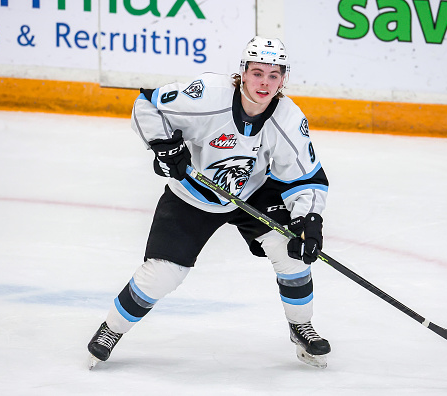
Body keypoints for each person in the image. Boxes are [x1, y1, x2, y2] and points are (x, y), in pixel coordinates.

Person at [87, 36, 331, 369]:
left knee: (292, 255)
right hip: (192, 194)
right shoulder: (208, 95)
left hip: (252, 193)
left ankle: (300, 325)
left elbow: (305, 176)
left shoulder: (287, 117)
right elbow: (148, 105)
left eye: (274, 75)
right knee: (162, 275)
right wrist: (165, 146)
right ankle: (110, 331)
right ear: (243, 72)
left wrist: (309, 220)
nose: (265, 83)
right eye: (258, 72)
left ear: (283, 78)